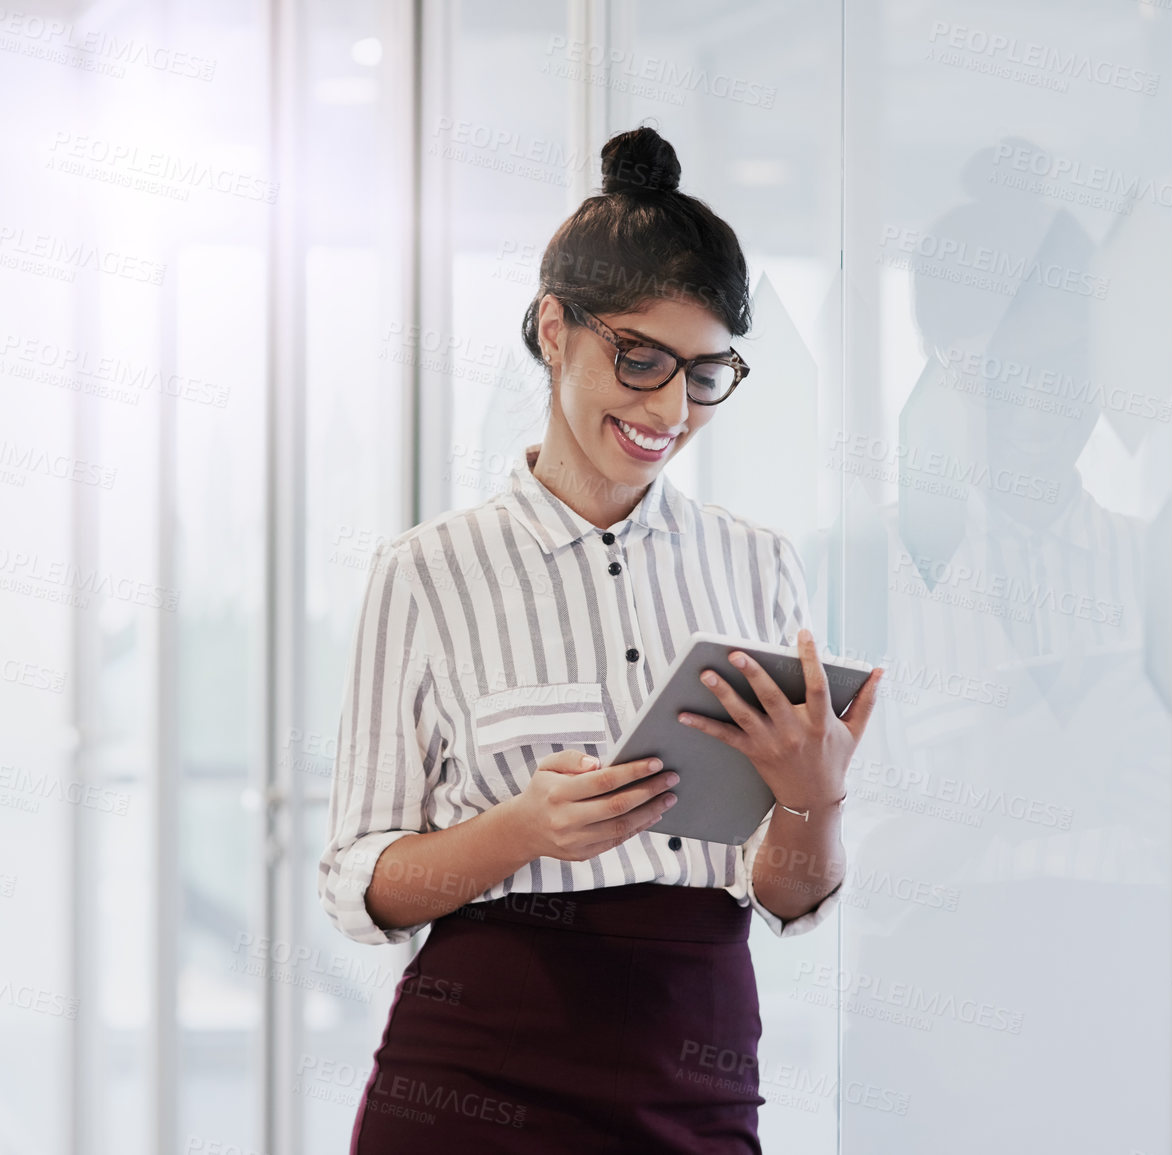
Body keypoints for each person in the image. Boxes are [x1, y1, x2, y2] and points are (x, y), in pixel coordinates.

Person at [316, 126, 885, 1154]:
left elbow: (784, 893)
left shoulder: (756, 566)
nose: (669, 406)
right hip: (471, 1069)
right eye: (641, 358)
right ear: (554, 329)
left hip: (696, 1061)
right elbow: (363, 883)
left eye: (706, 375)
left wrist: (815, 795)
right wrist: (519, 832)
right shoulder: (428, 571)